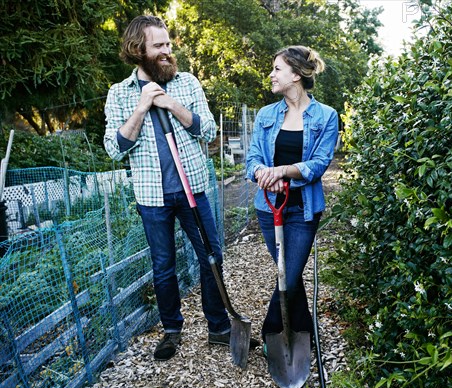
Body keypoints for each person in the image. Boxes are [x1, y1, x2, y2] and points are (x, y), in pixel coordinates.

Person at [104, 15, 257, 361]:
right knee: (163, 266)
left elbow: (207, 130)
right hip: (152, 198)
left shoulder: (186, 83)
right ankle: (172, 330)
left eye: (168, 44)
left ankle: (218, 327)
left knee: (211, 257)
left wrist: (171, 104)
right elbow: (114, 148)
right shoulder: (119, 94)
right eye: (158, 46)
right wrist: (143, 106)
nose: (167, 51)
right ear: (137, 49)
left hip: (194, 190)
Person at [246, 45, 339, 355]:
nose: (271, 75)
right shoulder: (265, 115)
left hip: (303, 209)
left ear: (296, 75)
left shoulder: (326, 116)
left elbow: (318, 164)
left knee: (290, 273)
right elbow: (253, 159)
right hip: (268, 208)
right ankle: (305, 334)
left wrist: (281, 171)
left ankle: (271, 333)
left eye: (277, 69)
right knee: (291, 275)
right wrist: (263, 174)